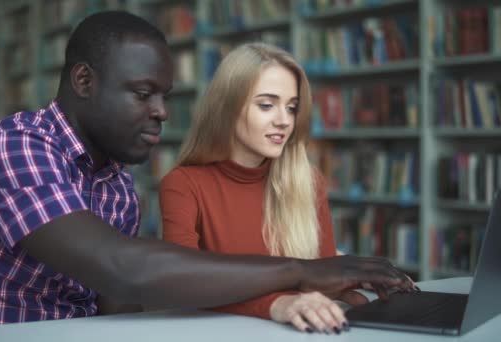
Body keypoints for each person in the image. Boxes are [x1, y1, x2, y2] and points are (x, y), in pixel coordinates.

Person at [0, 11, 413, 341]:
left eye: (165, 97)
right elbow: (123, 268)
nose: (160, 113)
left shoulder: (115, 184)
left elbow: (118, 304)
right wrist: (303, 272)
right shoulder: (14, 149)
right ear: (84, 81)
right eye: (142, 94)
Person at [159, 43, 412, 334]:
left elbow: (322, 272)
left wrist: (358, 279)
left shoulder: (308, 180)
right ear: (227, 107)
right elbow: (182, 285)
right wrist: (276, 304)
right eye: (266, 105)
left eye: (291, 108)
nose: (284, 120)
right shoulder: (183, 184)